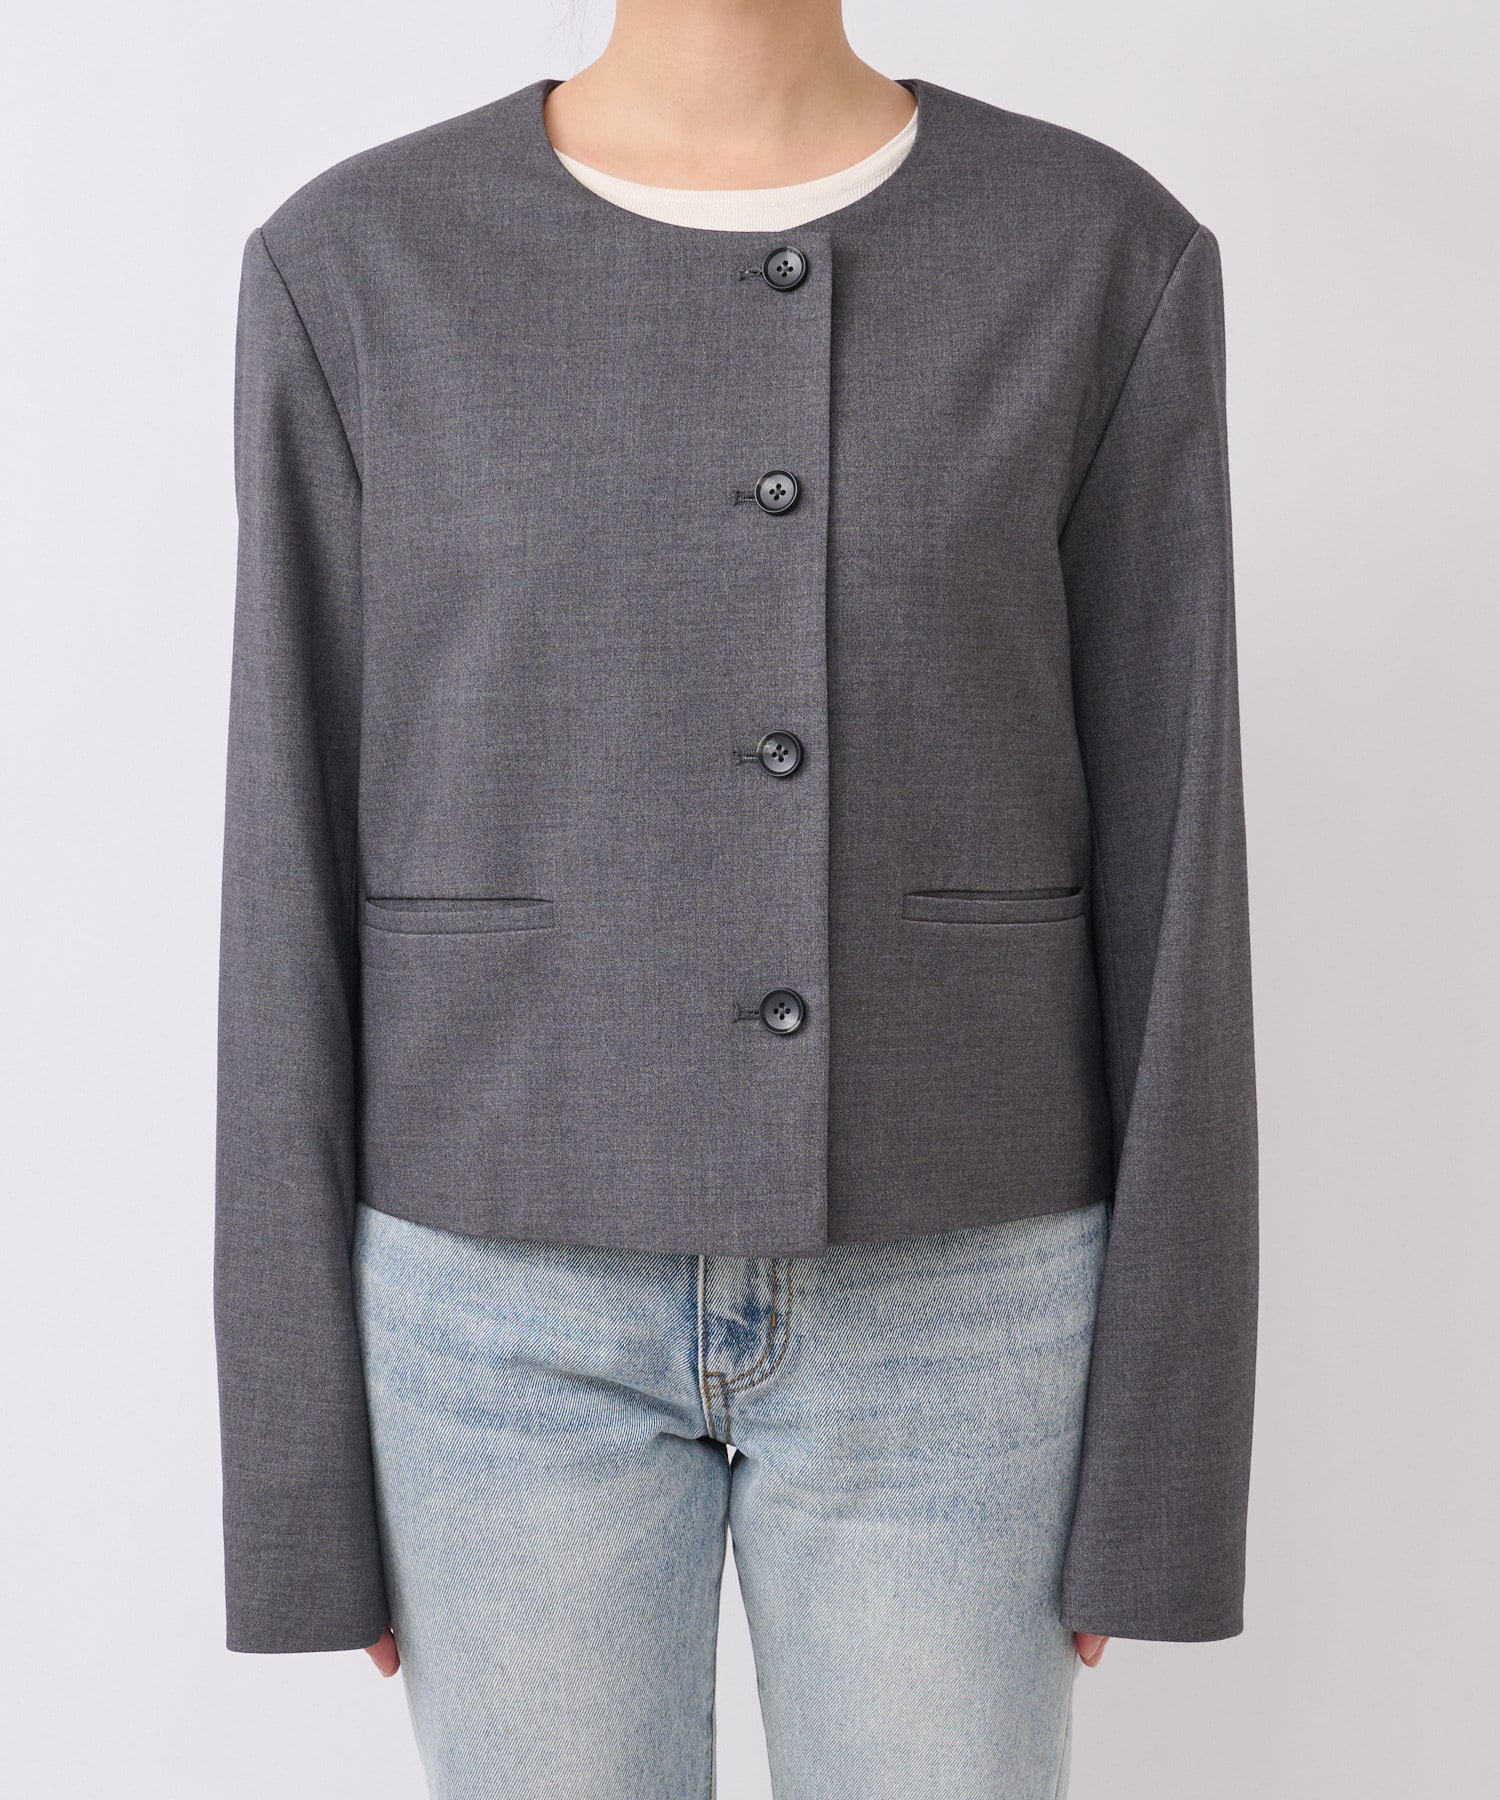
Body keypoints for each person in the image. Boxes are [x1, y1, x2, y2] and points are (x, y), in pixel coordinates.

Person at [213, 3, 1258, 1794]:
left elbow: (1183, 866)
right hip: (491, 1309)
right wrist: (300, 1485)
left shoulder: (1098, 255)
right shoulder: (357, 265)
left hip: (970, 1300)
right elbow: (282, 853)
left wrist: (1160, 1476)